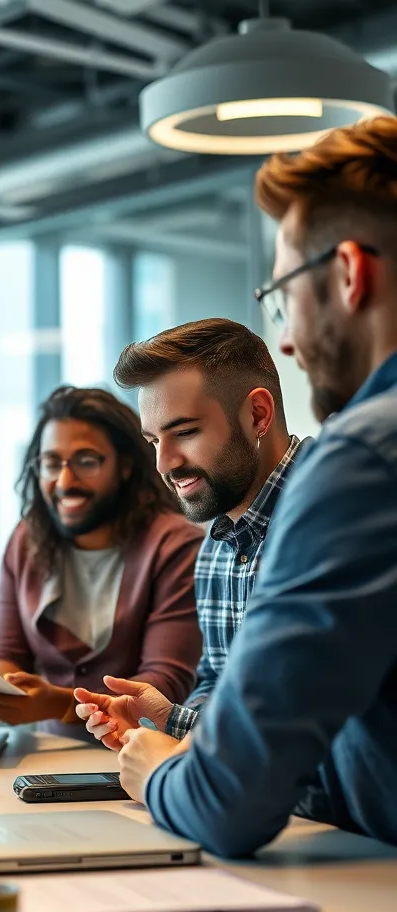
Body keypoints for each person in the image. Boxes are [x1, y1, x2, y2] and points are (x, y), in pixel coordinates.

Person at [114, 117, 397, 856]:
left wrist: (156, 772)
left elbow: (228, 802)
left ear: (348, 274)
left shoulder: (363, 460)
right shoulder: (219, 540)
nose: (292, 341)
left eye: (282, 296)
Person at [72, 319, 307, 752]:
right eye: (153, 440)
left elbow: (301, 711)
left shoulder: (335, 509)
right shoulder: (215, 547)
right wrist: (165, 720)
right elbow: (221, 684)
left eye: (184, 433)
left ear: (258, 415)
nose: (164, 463)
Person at [0, 386, 204, 737]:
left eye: (86, 461)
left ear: (124, 467)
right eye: (51, 463)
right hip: (46, 759)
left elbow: (164, 684)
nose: (64, 481)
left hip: (143, 757)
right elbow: (7, 652)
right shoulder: (27, 541)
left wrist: (60, 703)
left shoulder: (176, 547)